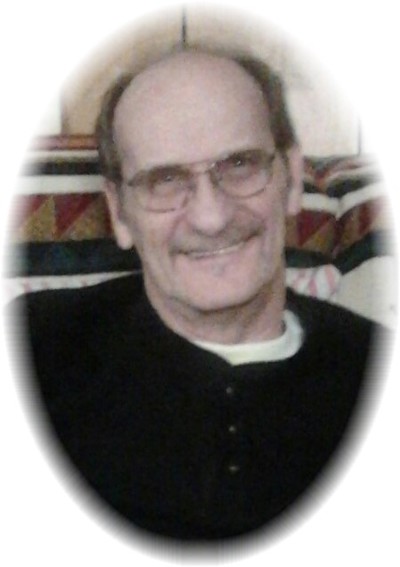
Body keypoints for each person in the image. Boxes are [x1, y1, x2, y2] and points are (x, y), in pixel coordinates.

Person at [23, 47, 380, 541]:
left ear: (292, 179)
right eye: (164, 180)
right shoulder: (29, 347)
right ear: (119, 212)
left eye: (240, 164)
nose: (211, 217)